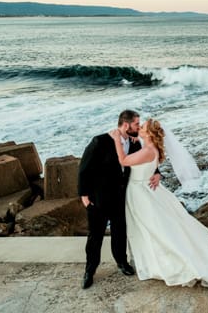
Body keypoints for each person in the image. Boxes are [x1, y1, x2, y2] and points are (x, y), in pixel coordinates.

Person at [108, 118, 208, 288]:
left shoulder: (148, 151)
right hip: (145, 191)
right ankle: (155, 261)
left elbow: (123, 161)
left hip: (141, 192)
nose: (139, 128)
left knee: (153, 228)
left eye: (142, 127)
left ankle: (168, 263)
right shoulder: (151, 149)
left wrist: (116, 139)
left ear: (149, 133)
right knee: (152, 227)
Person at [78, 110, 162, 289]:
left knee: (120, 232)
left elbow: (145, 161)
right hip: (98, 199)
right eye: (136, 124)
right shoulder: (99, 141)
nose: (139, 127)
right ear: (126, 125)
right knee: (95, 236)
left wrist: (157, 173)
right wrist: (84, 197)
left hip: (122, 198)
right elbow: (84, 169)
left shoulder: (135, 143)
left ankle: (122, 262)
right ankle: (89, 270)